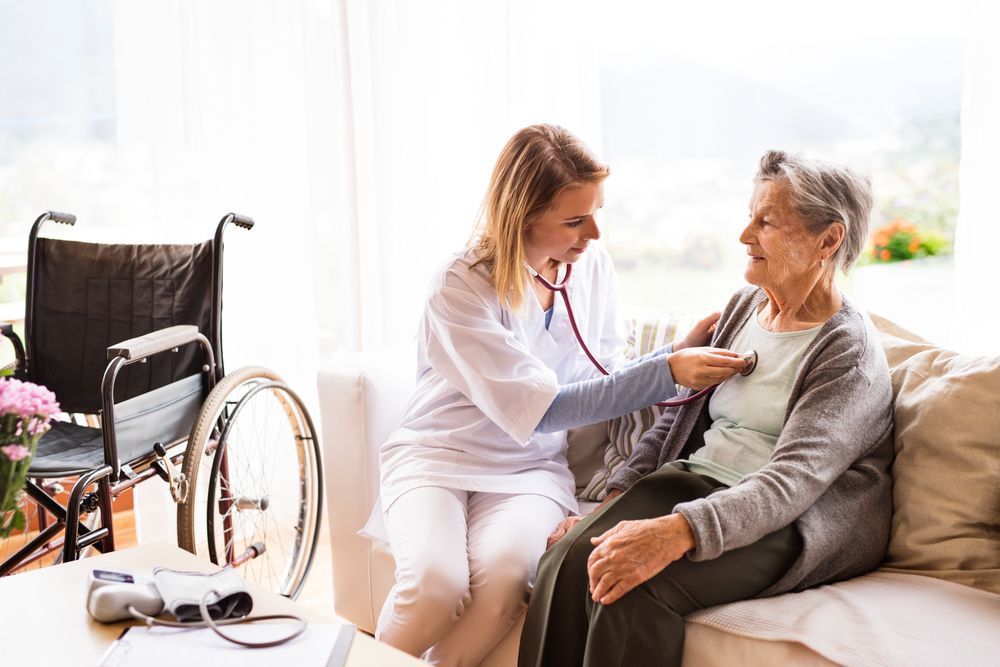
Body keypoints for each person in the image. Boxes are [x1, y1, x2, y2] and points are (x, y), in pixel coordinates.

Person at [368, 124, 748, 666]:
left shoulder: (589, 265)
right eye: (573, 220)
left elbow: (605, 371)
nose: (592, 232)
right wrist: (667, 371)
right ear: (519, 217)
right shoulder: (460, 284)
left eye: (596, 212)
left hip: (529, 469)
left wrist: (674, 355)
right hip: (438, 457)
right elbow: (549, 408)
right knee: (434, 587)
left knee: (505, 584)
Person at [519, 150, 894, 667]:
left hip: (791, 521)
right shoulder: (745, 306)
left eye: (767, 222)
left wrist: (676, 532)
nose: (745, 236)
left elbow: (791, 483)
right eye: (750, 215)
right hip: (696, 481)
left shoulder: (846, 353)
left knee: (630, 585)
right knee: (566, 559)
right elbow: (679, 417)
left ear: (828, 239)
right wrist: (614, 500)